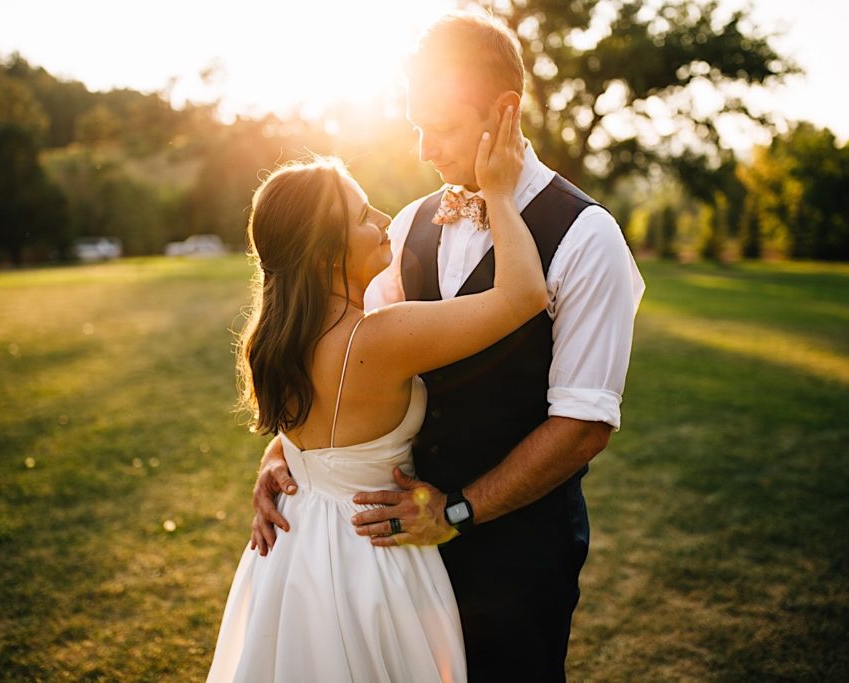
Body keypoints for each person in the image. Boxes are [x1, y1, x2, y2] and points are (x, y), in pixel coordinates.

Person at [249, 11, 646, 682]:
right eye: (416, 127)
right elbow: (347, 366)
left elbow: (581, 426)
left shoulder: (587, 238)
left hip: (517, 554)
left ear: (505, 112)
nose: (425, 150)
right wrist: (289, 454)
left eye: (443, 128)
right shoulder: (406, 228)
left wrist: (458, 510)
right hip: (396, 556)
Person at [206, 105, 541, 681]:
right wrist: (502, 195)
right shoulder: (381, 337)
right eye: (364, 215)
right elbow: (523, 296)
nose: (385, 217)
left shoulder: (274, 337)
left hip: (290, 550)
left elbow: (311, 444)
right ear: (326, 253)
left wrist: (276, 458)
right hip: (371, 558)